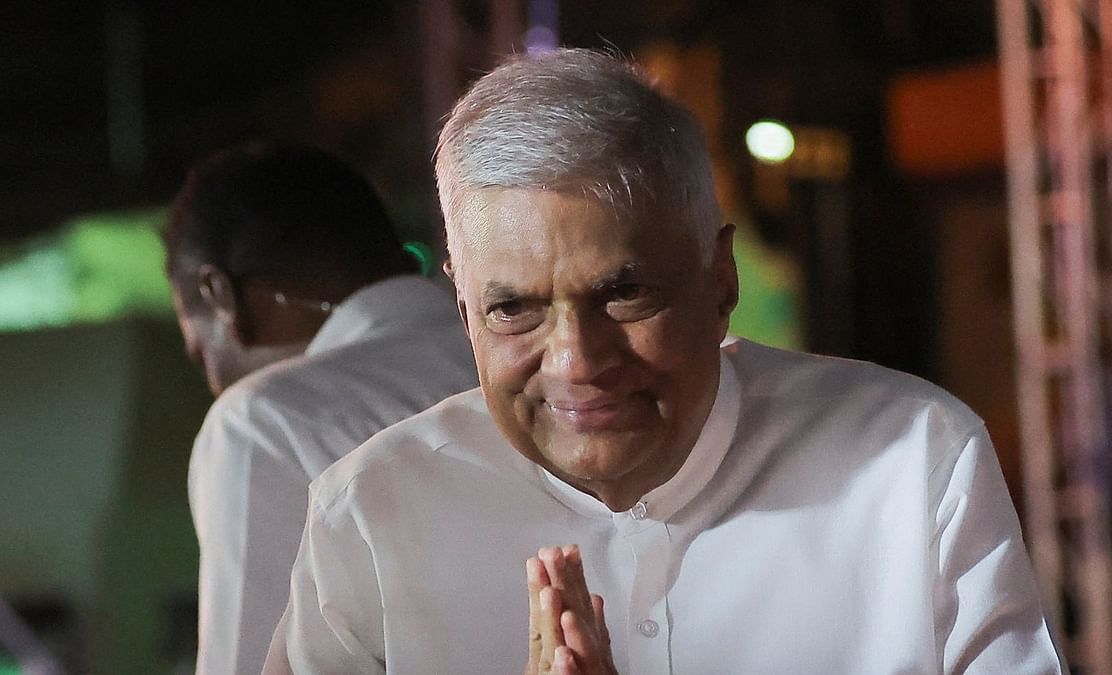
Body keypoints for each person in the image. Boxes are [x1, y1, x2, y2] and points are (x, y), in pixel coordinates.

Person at [265, 51, 1064, 674]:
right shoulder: (370, 514)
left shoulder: (912, 463)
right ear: (464, 310)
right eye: (515, 309)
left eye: (624, 294)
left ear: (721, 279)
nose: (578, 362)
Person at [164, 142, 478, 675]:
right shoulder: (522, 364)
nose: (214, 383)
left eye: (200, 355)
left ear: (222, 297)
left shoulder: (261, 424)